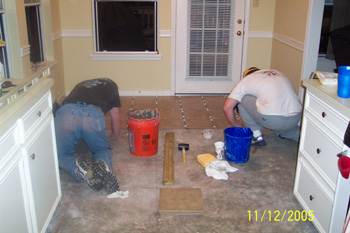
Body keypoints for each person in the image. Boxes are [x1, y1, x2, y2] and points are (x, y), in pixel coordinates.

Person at [54, 78, 122, 193]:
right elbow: (116, 115)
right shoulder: (112, 86)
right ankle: (104, 166)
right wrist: (116, 135)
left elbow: (76, 116)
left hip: (66, 111)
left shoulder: (80, 84)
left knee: (60, 154)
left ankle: (78, 168)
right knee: (102, 150)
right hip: (92, 113)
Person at [223, 67, 302, 147]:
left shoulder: (247, 80)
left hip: (272, 120)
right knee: (283, 127)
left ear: (246, 75)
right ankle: (300, 136)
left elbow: (227, 108)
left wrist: (236, 126)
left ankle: (256, 136)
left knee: (242, 98)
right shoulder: (277, 72)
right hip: (295, 118)